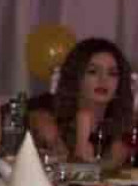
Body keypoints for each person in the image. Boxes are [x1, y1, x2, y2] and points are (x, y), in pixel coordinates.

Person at [54, 37, 134, 168]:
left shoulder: (123, 132)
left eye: (112, 73)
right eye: (93, 71)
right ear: (75, 78)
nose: (103, 80)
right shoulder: (54, 127)